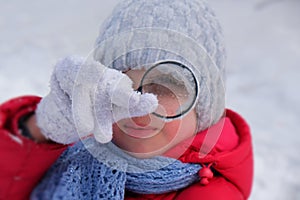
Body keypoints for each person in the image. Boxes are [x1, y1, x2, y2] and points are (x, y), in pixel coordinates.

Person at [0, 0, 254, 199]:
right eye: (119, 84)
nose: (137, 106)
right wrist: (40, 130)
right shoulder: (74, 146)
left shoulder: (212, 194)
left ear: (204, 107)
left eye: (166, 85)